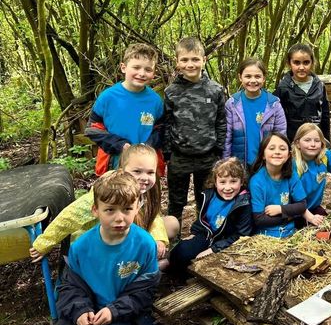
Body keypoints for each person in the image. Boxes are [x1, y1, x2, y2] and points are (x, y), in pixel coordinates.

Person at [30, 145, 177, 269]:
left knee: (170, 224)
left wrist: (159, 238)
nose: (144, 178)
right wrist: (44, 243)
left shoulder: (145, 191)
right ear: (122, 169)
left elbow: (152, 215)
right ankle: (136, 269)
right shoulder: (109, 189)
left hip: (122, 237)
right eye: (137, 171)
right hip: (97, 246)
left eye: (150, 172)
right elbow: (69, 216)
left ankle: (142, 263)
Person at [50, 171, 160, 325]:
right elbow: (69, 286)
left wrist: (113, 311)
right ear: (95, 210)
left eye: (127, 209)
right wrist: (79, 310)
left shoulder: (145, 245)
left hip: (121, 312)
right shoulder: (80, 247)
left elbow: (145, 290)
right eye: (110, 210)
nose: (119, 218)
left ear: (137, 207)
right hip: (86, 309)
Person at [164, 37, 226, 223]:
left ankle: (203, 234)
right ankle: (172, 239)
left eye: (195, 59)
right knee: (176, 201)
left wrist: (219, 149)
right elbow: (167, 124)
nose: (190, 64)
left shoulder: (215, 90)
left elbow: (221, 122)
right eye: (184, 60)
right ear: (177, 63)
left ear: (204, 60)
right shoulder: (171, 92)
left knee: (205, 198)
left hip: (207, 156)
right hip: (179, 156)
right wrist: (168, 154)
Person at [85, 43, 164, 175]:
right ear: (123, 67)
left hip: (146, 166)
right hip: (114, 163)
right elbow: (92, 129)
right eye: (136, 67)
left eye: (148, 69)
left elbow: (161, 129)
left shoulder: (155, 100)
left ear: (154, 72)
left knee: (147, 196)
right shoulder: (108, 97)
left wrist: (148, 145)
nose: (142, 73)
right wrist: (120, 145)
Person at [168, 158, 252, 276]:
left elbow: (241, 235)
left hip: (225, 242)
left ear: (242, 181)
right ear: (215, 182)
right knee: (181, 249)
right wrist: (194, 233)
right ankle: (172, 271)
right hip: (207, 235)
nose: (227, 187)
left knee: (196, 260)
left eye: (233, 181)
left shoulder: (243, 203)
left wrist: (211, 250)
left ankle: (186, 278)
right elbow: (203, 219)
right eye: (222, 182)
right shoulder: (210, 195)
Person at [224, 58, 287, 168]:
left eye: (257, 76)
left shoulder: (274, 104)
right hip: (239, 163)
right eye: (248, 76)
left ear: (263, 78)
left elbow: (281, 136)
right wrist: (226, 163)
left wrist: (279, 164)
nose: (253, 80)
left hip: (266, 164)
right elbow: (227, 138)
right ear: (240, 77)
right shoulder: (232, 104)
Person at [248, 132, 307, 237]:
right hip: (265, 236)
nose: (277, 152)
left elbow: (302, 205)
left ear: (289, 155)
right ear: (263, 155)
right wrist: (290, 216)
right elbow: (259, 219)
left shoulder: (291, 175)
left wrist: (281, 209)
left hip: (291, 232)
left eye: (282, 149)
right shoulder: (256, 182)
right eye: (271, 148)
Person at [291, 123, 331, 227]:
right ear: (298, 143)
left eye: (317, 141)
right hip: (295, 210)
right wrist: (310, 217)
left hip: (313, 206)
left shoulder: (325, 155)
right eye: (307, 140)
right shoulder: (293, 164)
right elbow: (293, 196)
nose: (313, 144)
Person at [274, 43, 331, 144]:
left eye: (306, 62)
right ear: (289, 63)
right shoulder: (283, 88)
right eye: (296, 63)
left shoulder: (319, 86)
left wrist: (327, 142)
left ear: (312, 63)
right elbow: (278, 119)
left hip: (315, 140)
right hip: (293, 140)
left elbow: (325, 117)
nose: (301, 67)